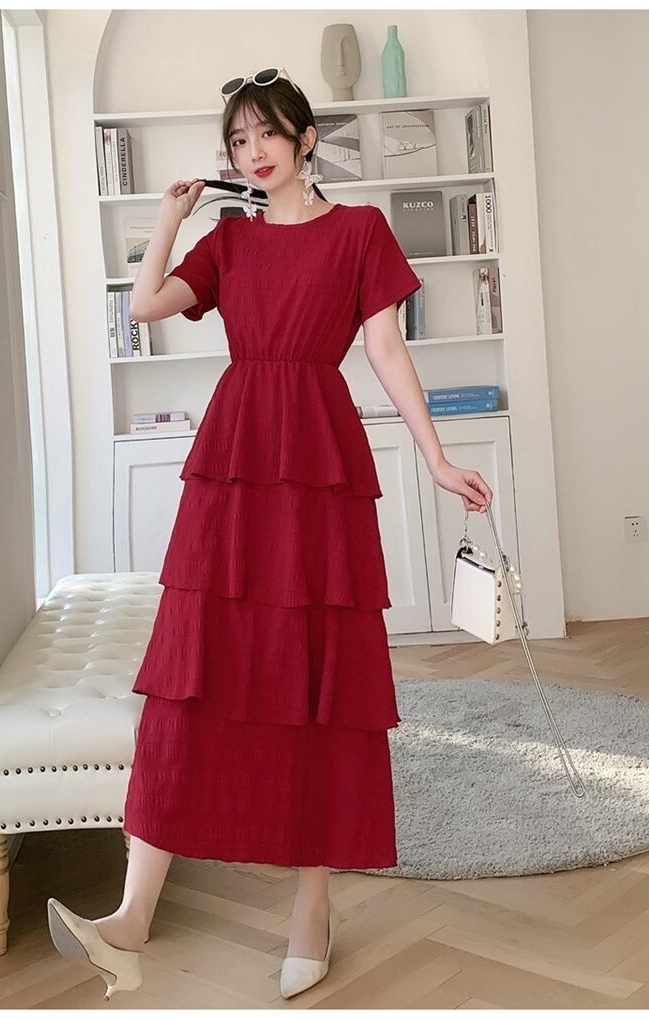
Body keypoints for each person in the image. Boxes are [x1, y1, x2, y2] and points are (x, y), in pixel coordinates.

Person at [46, 67, 493, 1002]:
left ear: (306, 138)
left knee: (315, 674)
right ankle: (130, 916)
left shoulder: (360, 231)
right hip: (236, 457)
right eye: (238, 141)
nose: (252, 153)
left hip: (318, 455)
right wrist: (168, 219)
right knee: (192, 664)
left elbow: (384, 348)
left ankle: (311, 911)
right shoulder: (229, 240)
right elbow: (144, 305)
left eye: (266, 135)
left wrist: (438, 458)